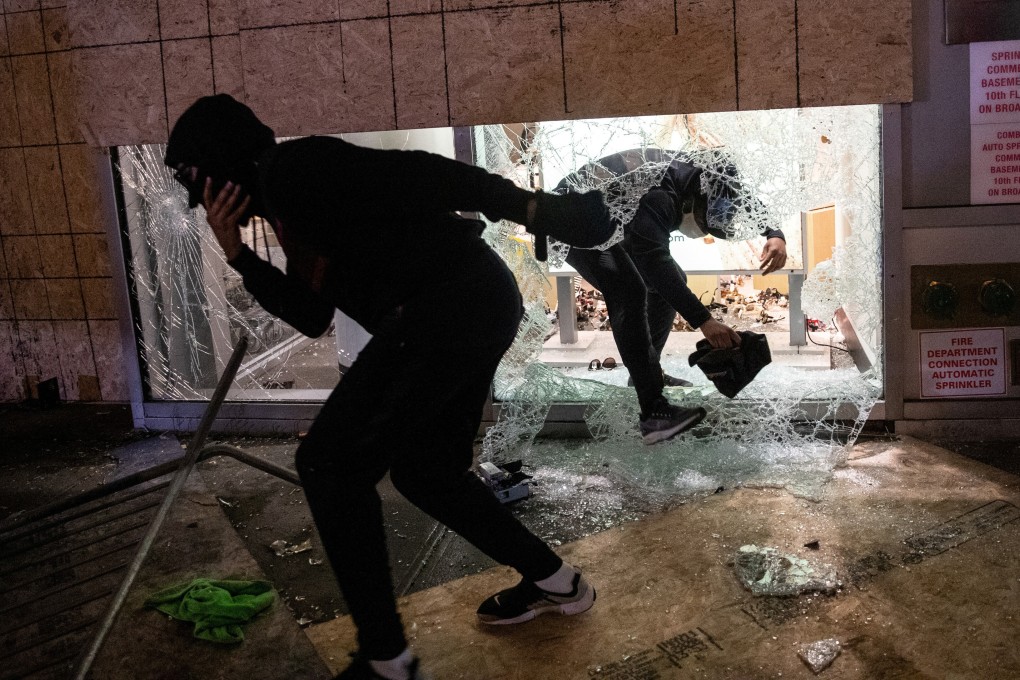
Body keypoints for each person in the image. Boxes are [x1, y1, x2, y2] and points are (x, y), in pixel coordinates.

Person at [164, 94, 613, 680]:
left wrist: (534, 208)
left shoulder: (294, 169)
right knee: (426, 473)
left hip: (446, 304)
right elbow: (312, 315)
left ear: (217, 169)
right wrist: (239, 256)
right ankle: (557, 582)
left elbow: (424, 174)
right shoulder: (287, 204)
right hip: (466, 303)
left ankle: (385, 663)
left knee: (329, 463)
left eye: (199, 188)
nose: (204, 206)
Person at [557, 148, 787, 444]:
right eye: (705, 218)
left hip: (602, 217)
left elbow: (740, 196)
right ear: (696, 198)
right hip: (570, 223)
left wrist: (774, 233)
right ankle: (654, 412)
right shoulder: (660, 196)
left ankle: (647, 374)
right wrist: (705, 321)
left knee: (671, 282)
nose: (704, 227)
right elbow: (653, 261)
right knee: (630, 291)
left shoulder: (698, 177)